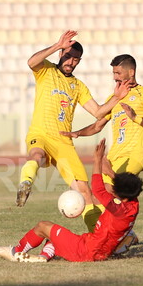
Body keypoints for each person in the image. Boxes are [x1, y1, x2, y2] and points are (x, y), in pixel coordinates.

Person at [16, 30, 129, 231]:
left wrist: (116, 98)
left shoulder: (78, 86)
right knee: (36, 155)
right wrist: (56, 45)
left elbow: (98, 112)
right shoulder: (47, 71)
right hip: (40, 133)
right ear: (61, 55)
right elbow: (31, 62)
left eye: (75, 59)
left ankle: (96, 234)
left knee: (84, 190)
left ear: (79, 61)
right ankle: (25, 184)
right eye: (67, 56)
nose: (70, 62)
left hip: (63, 142)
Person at [60, 54, 143, 254]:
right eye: (113, 73)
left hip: (133, 156)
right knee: (96, 199)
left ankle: (116, 240)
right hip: (114, 157)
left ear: (131, 72)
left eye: (118, 73)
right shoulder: (114, 98)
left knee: (108, 190)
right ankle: (115, 241)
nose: (114, 77)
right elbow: (98, 125)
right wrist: (77, 133)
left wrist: (135, 118)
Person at [0, 139, 142, 263]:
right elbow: (126, 188)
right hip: (98, 250)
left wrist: (96, 160)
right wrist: (110, 173)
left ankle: (16, 251)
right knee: (53, 238)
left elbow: (98, 189)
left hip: (86, 250)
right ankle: (43, 257)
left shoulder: (118, 209)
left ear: (120, 195)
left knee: (43, 226)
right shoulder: (133, 204)